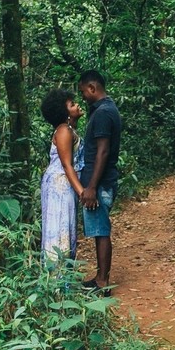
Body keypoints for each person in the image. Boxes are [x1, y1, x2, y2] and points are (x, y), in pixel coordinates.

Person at [77, 69, 122, 290]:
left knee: (101, 230)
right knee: (99, 230)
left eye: (83, 91)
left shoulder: (103, 113)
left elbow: (102, 151)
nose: (82, 97)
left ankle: (102, 281)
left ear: (92, 88)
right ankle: (100, 277)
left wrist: (92, 187)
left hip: (100, 183)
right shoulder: (106, 108)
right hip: (102, 181)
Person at [39, 88, 84, 269]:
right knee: (60, 228)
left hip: (64, 184)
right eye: (72, 104)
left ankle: (62, 280)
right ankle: (58, 282)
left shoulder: (68, 129)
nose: (77, 105)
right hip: (60, 184)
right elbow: (67, 165)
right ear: (64, 112)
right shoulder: (64, 130)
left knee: (65, 227)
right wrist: (82, 192)